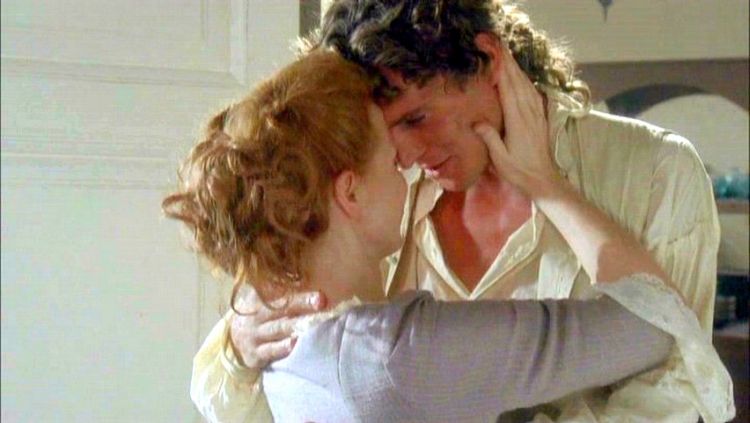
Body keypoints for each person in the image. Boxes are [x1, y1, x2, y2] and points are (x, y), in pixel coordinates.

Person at [189, 1, 735, 422]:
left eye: (416, 118)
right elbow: (249, 387)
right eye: (387, 132)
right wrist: (239, 346)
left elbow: (679, 388)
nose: (405, 154)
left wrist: (546, 187)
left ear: (488, 62)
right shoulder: (376, 196)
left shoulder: (656, 172)